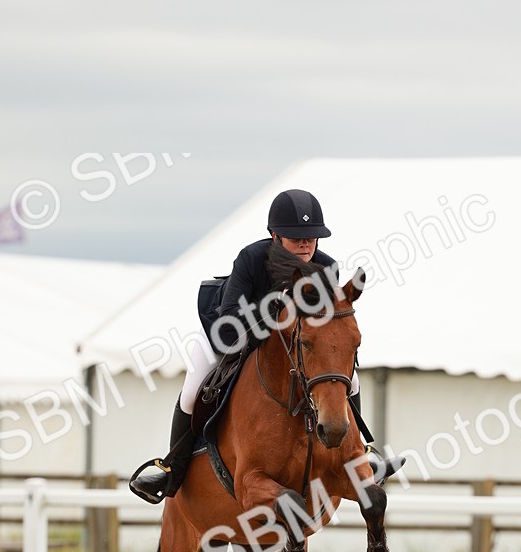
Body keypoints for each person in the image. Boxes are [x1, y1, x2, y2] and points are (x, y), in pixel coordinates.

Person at [129, 188, 404, 504]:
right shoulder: (251, 259)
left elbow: (325, 323)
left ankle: (361, 452)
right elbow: (229, 320)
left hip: (292, 346)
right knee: (193, 391)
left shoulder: (327, 267)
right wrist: (277, 311)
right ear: (274, 235)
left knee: (348, 378)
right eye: (295, 237)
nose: (305, 244)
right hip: (227, 332)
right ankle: (172, 468)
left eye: (311, 237)